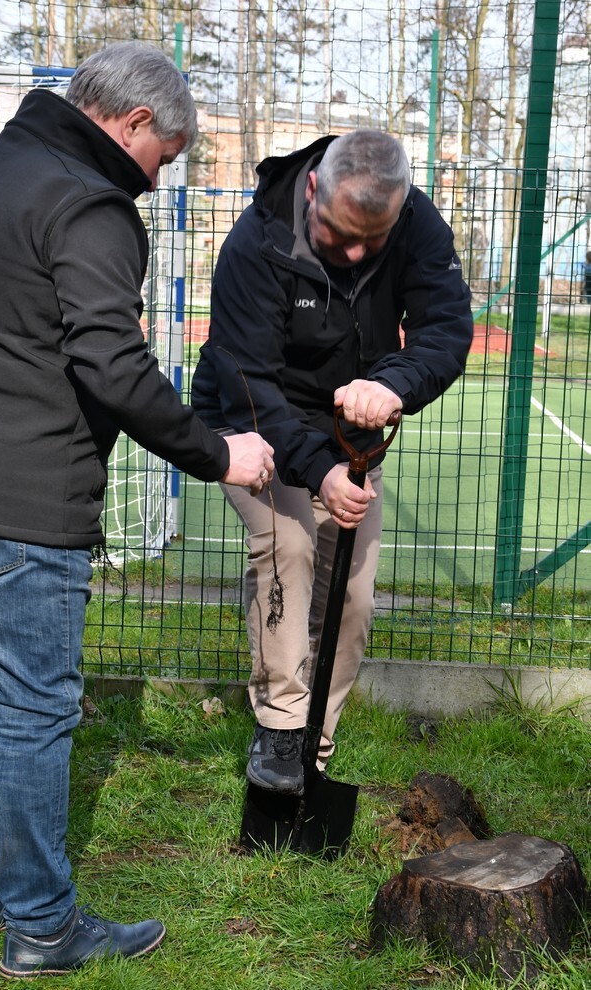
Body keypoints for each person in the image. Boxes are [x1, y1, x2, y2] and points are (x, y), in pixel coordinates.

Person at [0, 41, 274, 978]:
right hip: (28, 501)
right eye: (165, 156)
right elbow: (112, 365)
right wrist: (217, 453)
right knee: (37, 714)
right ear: (130, 126)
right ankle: (42, 924)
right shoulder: (90, 203)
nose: (160, 181)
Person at [191, 130, 473, 797]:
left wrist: (396, 382)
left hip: (351, 429)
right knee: (287, 543)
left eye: (370, 243)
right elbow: (249, 379)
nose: (352, 253)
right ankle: (282, 731)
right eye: (340, 233)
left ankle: (311, 759)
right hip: (252, 422)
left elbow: (445, 328)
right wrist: (317, 471)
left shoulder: (415, 222)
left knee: (350, 597)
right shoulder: (256, 243)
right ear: (313, 188)